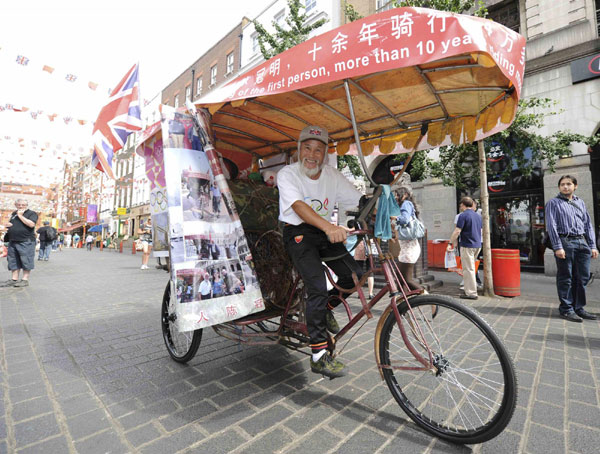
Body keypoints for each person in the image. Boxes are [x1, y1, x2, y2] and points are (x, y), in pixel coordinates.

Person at [277, 125, 363, 379]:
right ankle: (318, 356)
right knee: (316, 285)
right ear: (298, 149)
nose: (312, 155)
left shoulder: (332, 175)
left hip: (325, 234)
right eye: (307, 148)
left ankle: (325, 310)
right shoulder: (287, 174)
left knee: (355, 274)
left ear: (325, 154)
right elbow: (299, 206)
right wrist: (329, 226)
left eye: (318, 150)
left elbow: (357, 200)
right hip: (298, 234)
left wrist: (378, 205)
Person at [545, 175, 598, 322]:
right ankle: (566, 308)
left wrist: (592, 245)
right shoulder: (553, 203)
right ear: (559, 187)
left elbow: (588, 225)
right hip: (565, 242)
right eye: (562, 184)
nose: (565, 187)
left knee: (583, 277)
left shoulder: (580, 202)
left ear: (575, 186)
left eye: (568, 184)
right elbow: (551, 226)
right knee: (566, 277)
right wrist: (557, 246)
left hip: (582, 242)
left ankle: (578, 307)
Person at [448, 197, 482, 300]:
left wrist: (450, 243)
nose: (460, 207)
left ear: (463, 205)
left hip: (467, 244)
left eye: (460, 205)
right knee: (471, 268)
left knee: (468, 269)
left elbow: (457, 231)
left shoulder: (463, 216)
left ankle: (471, 293)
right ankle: (471, 290)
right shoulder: (478, 216)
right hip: (477, 245)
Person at [0, 199, 38, 287]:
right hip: (13, 240)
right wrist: (8, 225)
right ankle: (14, 279)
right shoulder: (14, 214)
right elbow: (14, 224)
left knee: (26, 259)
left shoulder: (31, 213)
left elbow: (31, 224)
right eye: (19, 205)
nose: (21, 206)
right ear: (15, 205)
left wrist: (20, 216)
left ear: (27, 205)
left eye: (23, 205)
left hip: (26, 240)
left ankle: (24, 280)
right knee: (13, 260)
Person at [393, 187, 423, 292]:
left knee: (407, 280)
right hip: (407, 249)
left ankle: (430, 300)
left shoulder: (406, 203)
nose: (396, 197)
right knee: (401, 281)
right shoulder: (405, 205)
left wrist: (394, 218)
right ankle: (403, 306)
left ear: (405, 194)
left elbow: (404, 219)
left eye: (397, 194)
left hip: (409, 251)